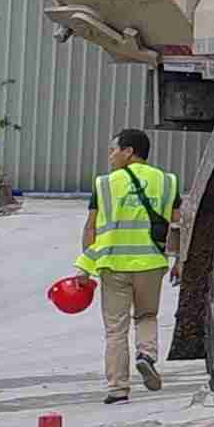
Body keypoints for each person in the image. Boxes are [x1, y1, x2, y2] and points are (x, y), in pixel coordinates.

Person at [77, 128, 180, 405]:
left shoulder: (104, 184)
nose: (110, 156)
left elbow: (91, 228)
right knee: (146, 315)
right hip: (151, 264)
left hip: (113, 265)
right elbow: (178, 224)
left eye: (114, 150)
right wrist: (179, 260)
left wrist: (85, 266)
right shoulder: (167, 182)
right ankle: (146, 355)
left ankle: (118, 389)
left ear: (129, 151)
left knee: (116, 329)